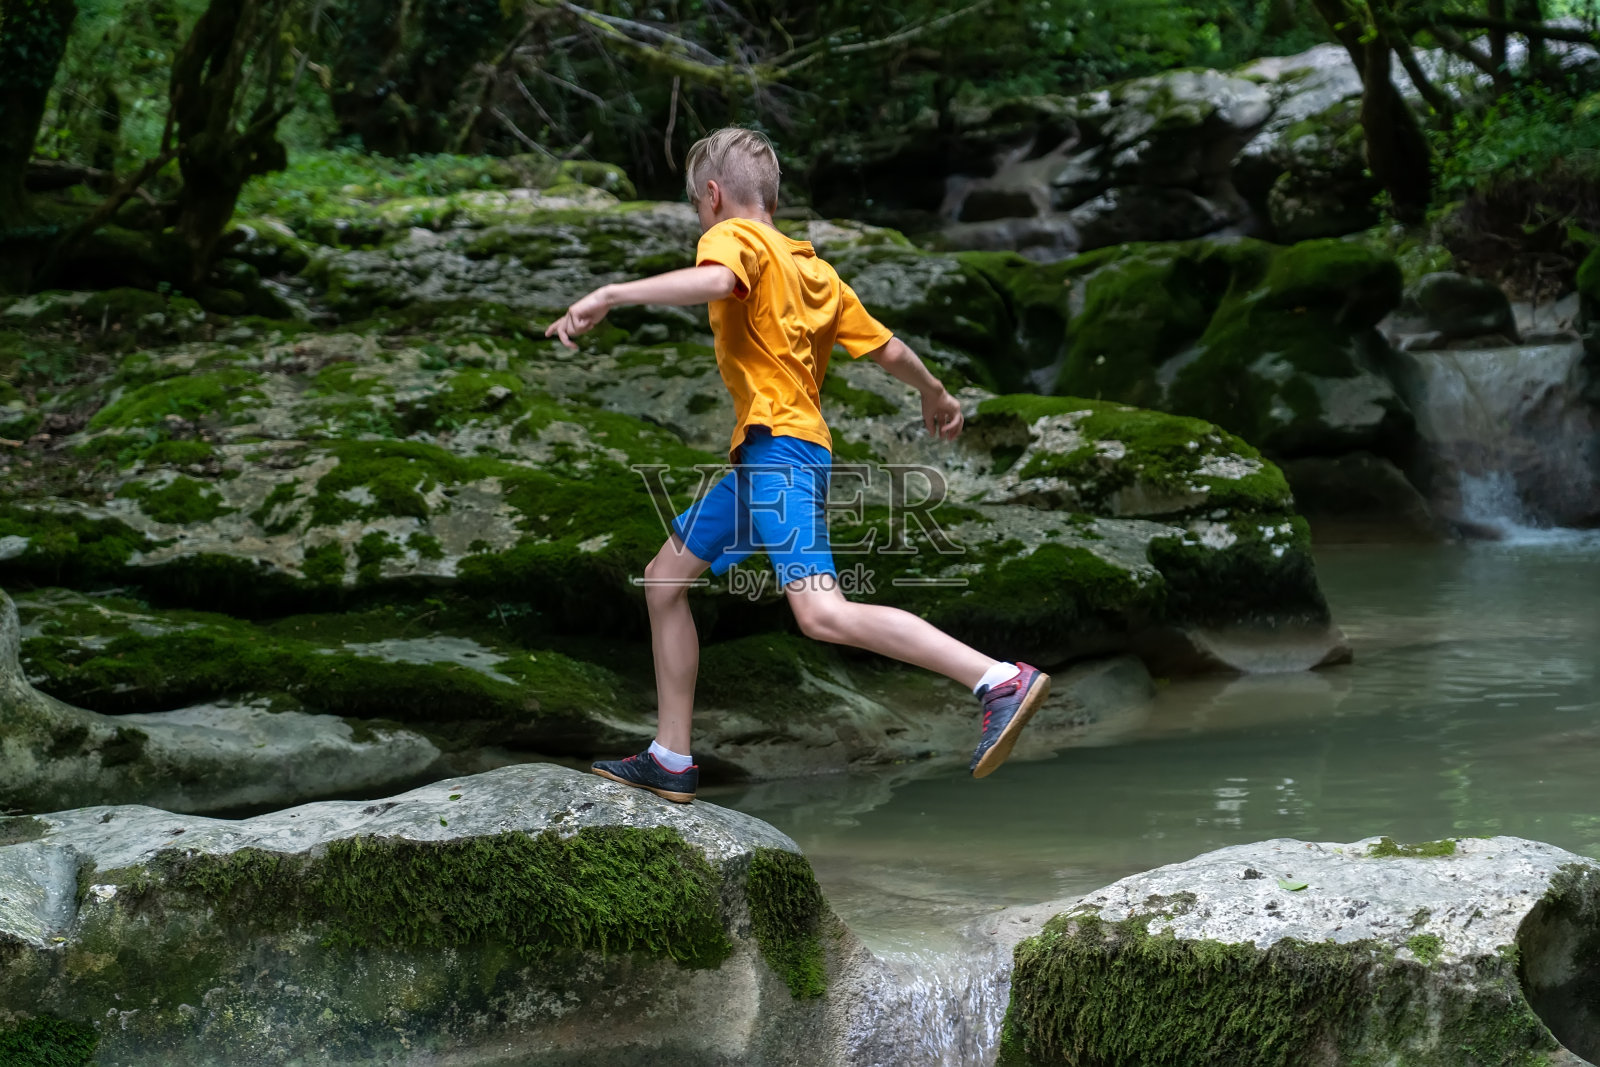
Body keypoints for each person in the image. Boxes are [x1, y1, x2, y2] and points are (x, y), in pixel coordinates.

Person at [545, 127, 1050, 803]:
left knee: (821, 613)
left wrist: (611, 294)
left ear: (715, 196)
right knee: (665, 579)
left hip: (778, 451)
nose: (705, 219)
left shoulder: (733, 238)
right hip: (778, 452)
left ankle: (997, 678)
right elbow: (890, 350)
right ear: (774, 198)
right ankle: (670, 756)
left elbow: (717, 280)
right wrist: (936, 393)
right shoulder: (815, 270)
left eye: (702, 207)